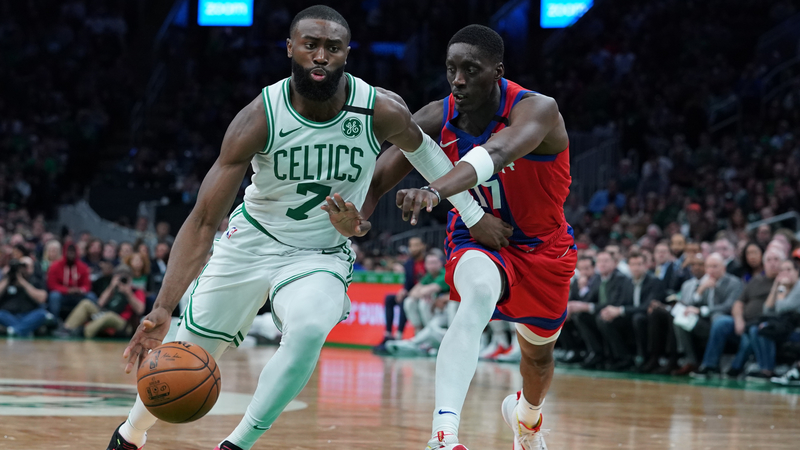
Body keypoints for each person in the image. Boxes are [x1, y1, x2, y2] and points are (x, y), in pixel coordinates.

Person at [107, 7, 507, 450]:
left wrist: (472, 215)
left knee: (311, 327)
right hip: (252, 241)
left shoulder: (379, 108)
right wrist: (162, 307)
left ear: (346, 55)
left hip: (320, 253)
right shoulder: (259, 117)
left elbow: (427, 153)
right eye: (311, 45)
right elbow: (203, 220)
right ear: (290, 49)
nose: (320, 56)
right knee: (188, 353)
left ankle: (236, 445)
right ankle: (130, 434)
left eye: (332, 48)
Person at [327, 24, 573, 449]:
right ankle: (444, 434)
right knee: (477, 295)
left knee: (538, 357)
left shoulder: (538, 110)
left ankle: (526, 418)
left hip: (543, 248)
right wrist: (360, 218)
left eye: (470, 70)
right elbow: (383, 173)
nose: (458, 80)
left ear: (498, 71)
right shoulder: (437, 115)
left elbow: (495, 153)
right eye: (451, 69)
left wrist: (435, 189)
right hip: (475, 238)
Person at [691, 248, 782, 378]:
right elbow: (738, 303)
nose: (772, 263)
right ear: (764, 263)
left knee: (750, 335)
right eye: (769, 260)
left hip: (761, 323)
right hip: (742, 321)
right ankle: (709, 365)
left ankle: (735, 369)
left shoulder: (785, 282)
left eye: (776, 260)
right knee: (721, 322)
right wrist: (739, 319)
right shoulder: (756, 280)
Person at [671, 253, 744, 375]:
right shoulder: (705, 282)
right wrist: (701, 290)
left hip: (723, 323)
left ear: (723, 268)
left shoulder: (734, 283)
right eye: (709, 267)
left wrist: (703, 311)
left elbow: (729, 306)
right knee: (680, 320)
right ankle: (691, 361)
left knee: (718, 322)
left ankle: (710, 365)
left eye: (715, 266)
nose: (711, 270)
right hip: (706, 323)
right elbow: (691, 303)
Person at [597, 251, 665, 370]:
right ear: (628, 266)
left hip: (647, 318)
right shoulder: (626, 282)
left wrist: (620, 310)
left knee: (638, 318)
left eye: (639, 264)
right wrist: (610, 310)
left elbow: (646, 306)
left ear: (646, 265)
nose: (636, 268)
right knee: (603, 319)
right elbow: (620, 302)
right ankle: (623, 357)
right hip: (630, 316)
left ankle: (644, 358)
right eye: (632, 264)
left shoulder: (654, 281)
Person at [56, 264, 146, 339]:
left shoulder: (136, 291)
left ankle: (84, 332)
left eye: (125, 277)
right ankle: (67, 328)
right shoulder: (113, 289)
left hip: (123, 322)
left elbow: (140, 309)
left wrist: (128, 293)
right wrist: (111, 287)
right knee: (86, 303)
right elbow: (100, 303)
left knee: (109, 316)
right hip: (104, 314)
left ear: (130, 278)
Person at [375, 236, 427, 350]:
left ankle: (399, 335)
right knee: (390, 298)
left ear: (423, 246)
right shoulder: (409, 263)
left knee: (405, 301)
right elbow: (407, 284)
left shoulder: (429, 261)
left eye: (415, 245)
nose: (412, 248)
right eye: (410, 245)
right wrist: (403, 290)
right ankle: (388, 334)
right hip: (411, 293)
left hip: (424, 294)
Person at [0, 256, 49, 337]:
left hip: (28, 315)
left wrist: (23, 283)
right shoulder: (7, 279)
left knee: (41, 314)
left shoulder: (35, 280)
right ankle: (24, 329)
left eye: (26, 267)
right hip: (9, 315)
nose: (23, 269)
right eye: (21, 266)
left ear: (32, 268)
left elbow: (42, 298)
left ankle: (14, 330)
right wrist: (8, 278)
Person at [46, 242, 95, 320]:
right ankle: (53, 321)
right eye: (69, 252)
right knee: (54, 296)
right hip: (63, 295)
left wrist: (80, 290)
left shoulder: (83, 267)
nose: (71, 254)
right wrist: (67, 290)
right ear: (65, 252)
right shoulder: (55, 266)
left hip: (78, 295)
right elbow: (52, 285)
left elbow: (87, 285)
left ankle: (92, 321)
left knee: (91, 296)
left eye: (73, 252)